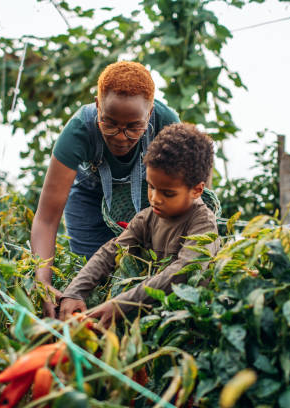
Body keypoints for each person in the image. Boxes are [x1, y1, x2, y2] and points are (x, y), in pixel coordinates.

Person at [31, 62, 180, 318]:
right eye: (109, 124)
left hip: (149, 195)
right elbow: (46, 218)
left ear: (150, 112)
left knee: (152, 271)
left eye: (134, 127)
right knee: (91, 277)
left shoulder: (167, 124)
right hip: (90, 198)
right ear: (98, 106)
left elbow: (188, 196)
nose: (121, 137)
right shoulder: (79, 129)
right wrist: (42, 282)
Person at [58, 123, 220, 327]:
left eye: (168, 193)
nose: (155, 199)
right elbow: (111, 251)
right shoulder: (147, 217)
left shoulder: (202, 223)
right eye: (151, 187)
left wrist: (123, 303)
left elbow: (184, 271)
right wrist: (75, 291)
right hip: (154, 313)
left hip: (191, 319)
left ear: (197, 190)